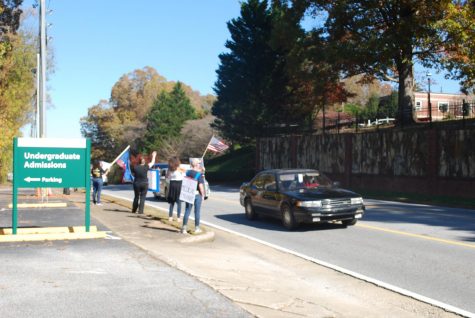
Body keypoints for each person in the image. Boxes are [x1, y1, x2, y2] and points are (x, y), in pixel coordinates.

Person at [181, 158, 206, 234]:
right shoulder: (198, 175)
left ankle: (184, 228)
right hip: (197, 194)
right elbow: (201, 186)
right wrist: (203, 195)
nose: (199, 164)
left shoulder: (187, 172)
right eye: (198, 163)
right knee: (197, 212)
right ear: (195, 164)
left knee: (187, 210)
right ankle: (197, 228)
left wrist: (202, 172)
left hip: (189, 194)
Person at [166, 156, 184, 222]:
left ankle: (170, 217)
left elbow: (167, 176)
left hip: (172, 184)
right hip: (179, 184)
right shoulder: (179, 168)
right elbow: (184, 174)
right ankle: (178, 218)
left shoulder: (170, 169)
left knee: (172, 202)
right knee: (179, 202)